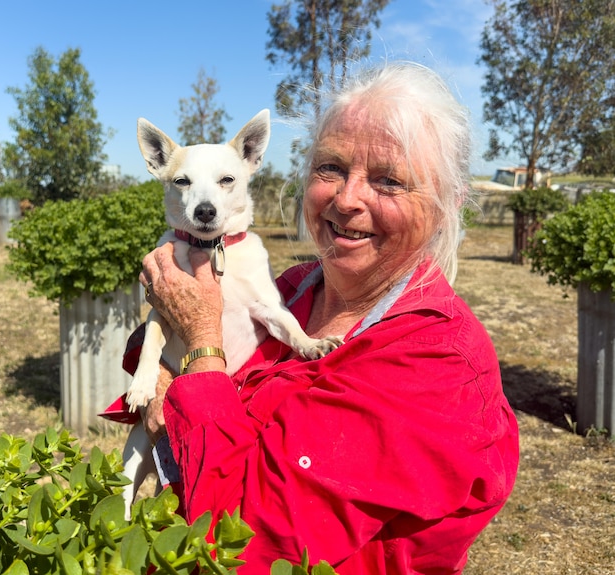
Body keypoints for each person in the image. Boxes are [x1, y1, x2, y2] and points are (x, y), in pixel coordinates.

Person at [131, 61, 519, 574]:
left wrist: (202, 348)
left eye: (388, 180)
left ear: (447, 205)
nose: (346, 198)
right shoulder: (294, 289)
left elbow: (246, 539)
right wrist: (160, 372)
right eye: (330, 169)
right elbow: (158, 346)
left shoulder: (435, 362)